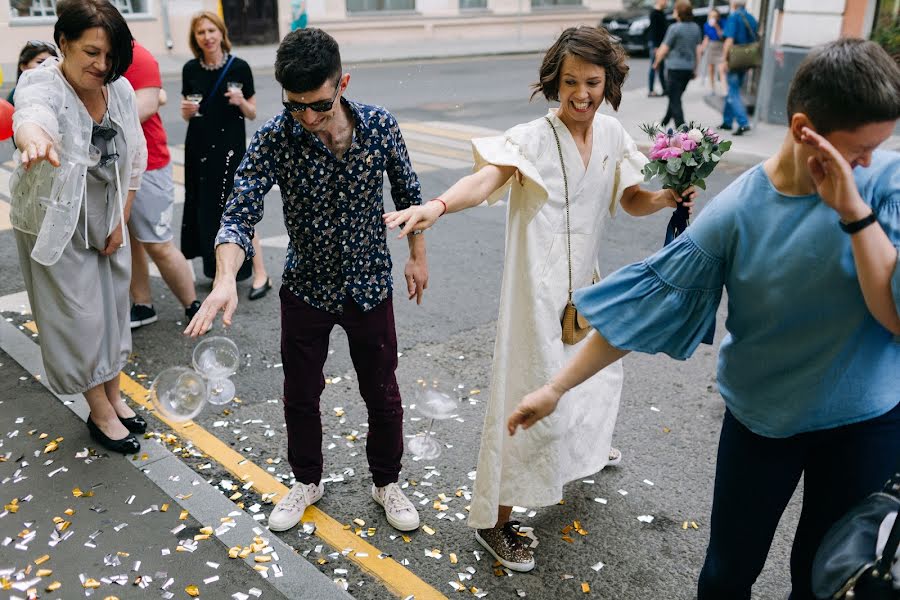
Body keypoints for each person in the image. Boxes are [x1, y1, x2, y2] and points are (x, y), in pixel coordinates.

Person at [508, 38, 900, 600]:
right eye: (857, 150)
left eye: (877, 148)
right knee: (725, 576)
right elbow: (646, 308)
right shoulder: (738, 212)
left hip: (868, 422)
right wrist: (555, 388)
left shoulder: (885, 183)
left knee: (827, 579)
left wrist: (855, 215)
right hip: (764, 423)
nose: (868, 162)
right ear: (803, 128)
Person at [383, 26, 696, 573]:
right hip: (535, 294)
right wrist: (436, 205)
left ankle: (579, 457)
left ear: (610, 82)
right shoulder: (531, 137)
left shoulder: (615, 134)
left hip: (585, 286)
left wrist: (669, 194)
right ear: (555, 80)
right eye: (570, 81)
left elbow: (632, 198)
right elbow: (485, 181)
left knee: (593, 380)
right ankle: (494, 521)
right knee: (526, 396)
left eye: (592, 82)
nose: (581, 94)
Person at [185, 28, 427, 534]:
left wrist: (416, 256)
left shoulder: (380, 126)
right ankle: (306, 480)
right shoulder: (278, 134)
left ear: (342, 83)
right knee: (299, 394)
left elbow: (410, 195)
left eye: (317, 105)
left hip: (368, 285)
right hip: (306, 288)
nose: (308, 119)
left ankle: (387, 482)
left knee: (382, 393)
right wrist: (226, 276)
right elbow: (239, 209)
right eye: (296, 106)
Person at [11, 0, 148, 454]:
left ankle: (113, 395)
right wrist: (33, 139)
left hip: (106, 210)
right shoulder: (40, 82)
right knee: (80, 316)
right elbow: (31, 116)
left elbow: (135, 158)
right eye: (91, 52)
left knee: (111, 308)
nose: (102, 65)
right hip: (54, 214)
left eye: (110, 56)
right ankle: (100, 412)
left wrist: (121, 220)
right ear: (63, 43)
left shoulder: (120, 89)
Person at [180, 11, 271, 299]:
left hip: (231, 150)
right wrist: (186, 112)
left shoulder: (239, 67)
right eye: (200, 33)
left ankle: (261, 274)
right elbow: (188, 111)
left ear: (221, 32)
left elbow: (253, 113)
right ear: (195, 38)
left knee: (239, 210)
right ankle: (221, 274)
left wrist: (241, 101)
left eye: (211, 30)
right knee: (207, 210)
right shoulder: (190, 70)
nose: (207, 37)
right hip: (199, 147)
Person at [124, 40, 200, 329]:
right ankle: (143, 305)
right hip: (117, 166)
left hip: (149, 165)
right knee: (131, 240)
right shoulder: (107, 54)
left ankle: (193, 306)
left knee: (158, 243)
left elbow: (145, 106)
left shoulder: (138, 56)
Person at [654, 0, 703, 127]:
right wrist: (696, 69)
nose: (674, 12)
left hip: (674, 69)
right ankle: (664, 122)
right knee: (675, 96)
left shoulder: (674, 28)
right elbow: (698, 51)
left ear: (679, 12)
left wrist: (656, 62)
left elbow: (664, 48)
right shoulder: (696, 28)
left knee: (675, 99)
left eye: (675, 10)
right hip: (688, 68)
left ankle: (682, 129)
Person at [720, 0, 758, 135]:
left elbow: (729, 40)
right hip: (745, 60)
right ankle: (727, 121)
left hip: (734, 59)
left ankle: (743, 122)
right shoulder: (752, 18)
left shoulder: (734, 17)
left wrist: (724, 59)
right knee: (733, 88)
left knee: (733, 91)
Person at [7, 40, 58, 105]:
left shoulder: (61, 93)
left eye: (52, 62)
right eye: (40, 62)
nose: (47, 65)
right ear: (24, 67)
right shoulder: (15, 95)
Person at [699, 8, 726, 95]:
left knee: (721, 69)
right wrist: (702, 48)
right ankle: (712, 89)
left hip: (721, 46)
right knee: (711, 68)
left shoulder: (723, 23)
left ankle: (724, 90)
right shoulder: (706, 25)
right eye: (711, 16)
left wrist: (716, 27)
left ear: (718, 17)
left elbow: (722, 36)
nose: (713, 18)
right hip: (711, 46)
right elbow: (706, 37)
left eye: (715, 16)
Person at [647, 0, 669, 97]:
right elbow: (654, 31)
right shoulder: (654, 14)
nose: (666, 2)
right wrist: (656, 47)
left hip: (661, 44)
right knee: (654, 66)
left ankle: (664, 89)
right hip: (656, 45)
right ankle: (651, 90)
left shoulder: (661, 13)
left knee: (661, 67)